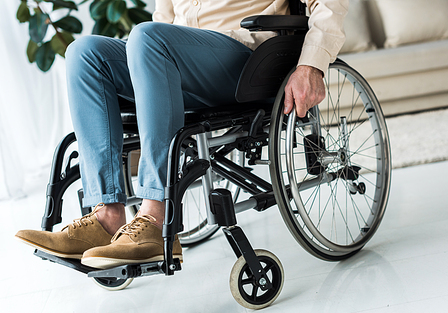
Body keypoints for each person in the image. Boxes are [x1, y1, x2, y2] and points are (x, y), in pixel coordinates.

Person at [15, 0, 348, 269]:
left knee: (148, 38)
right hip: (178, 60)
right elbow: (162, 21)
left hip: (248, 58)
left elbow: (328, 4)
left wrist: (311, 64)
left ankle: (155, 218)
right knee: (85, 52)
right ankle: (106, 216)